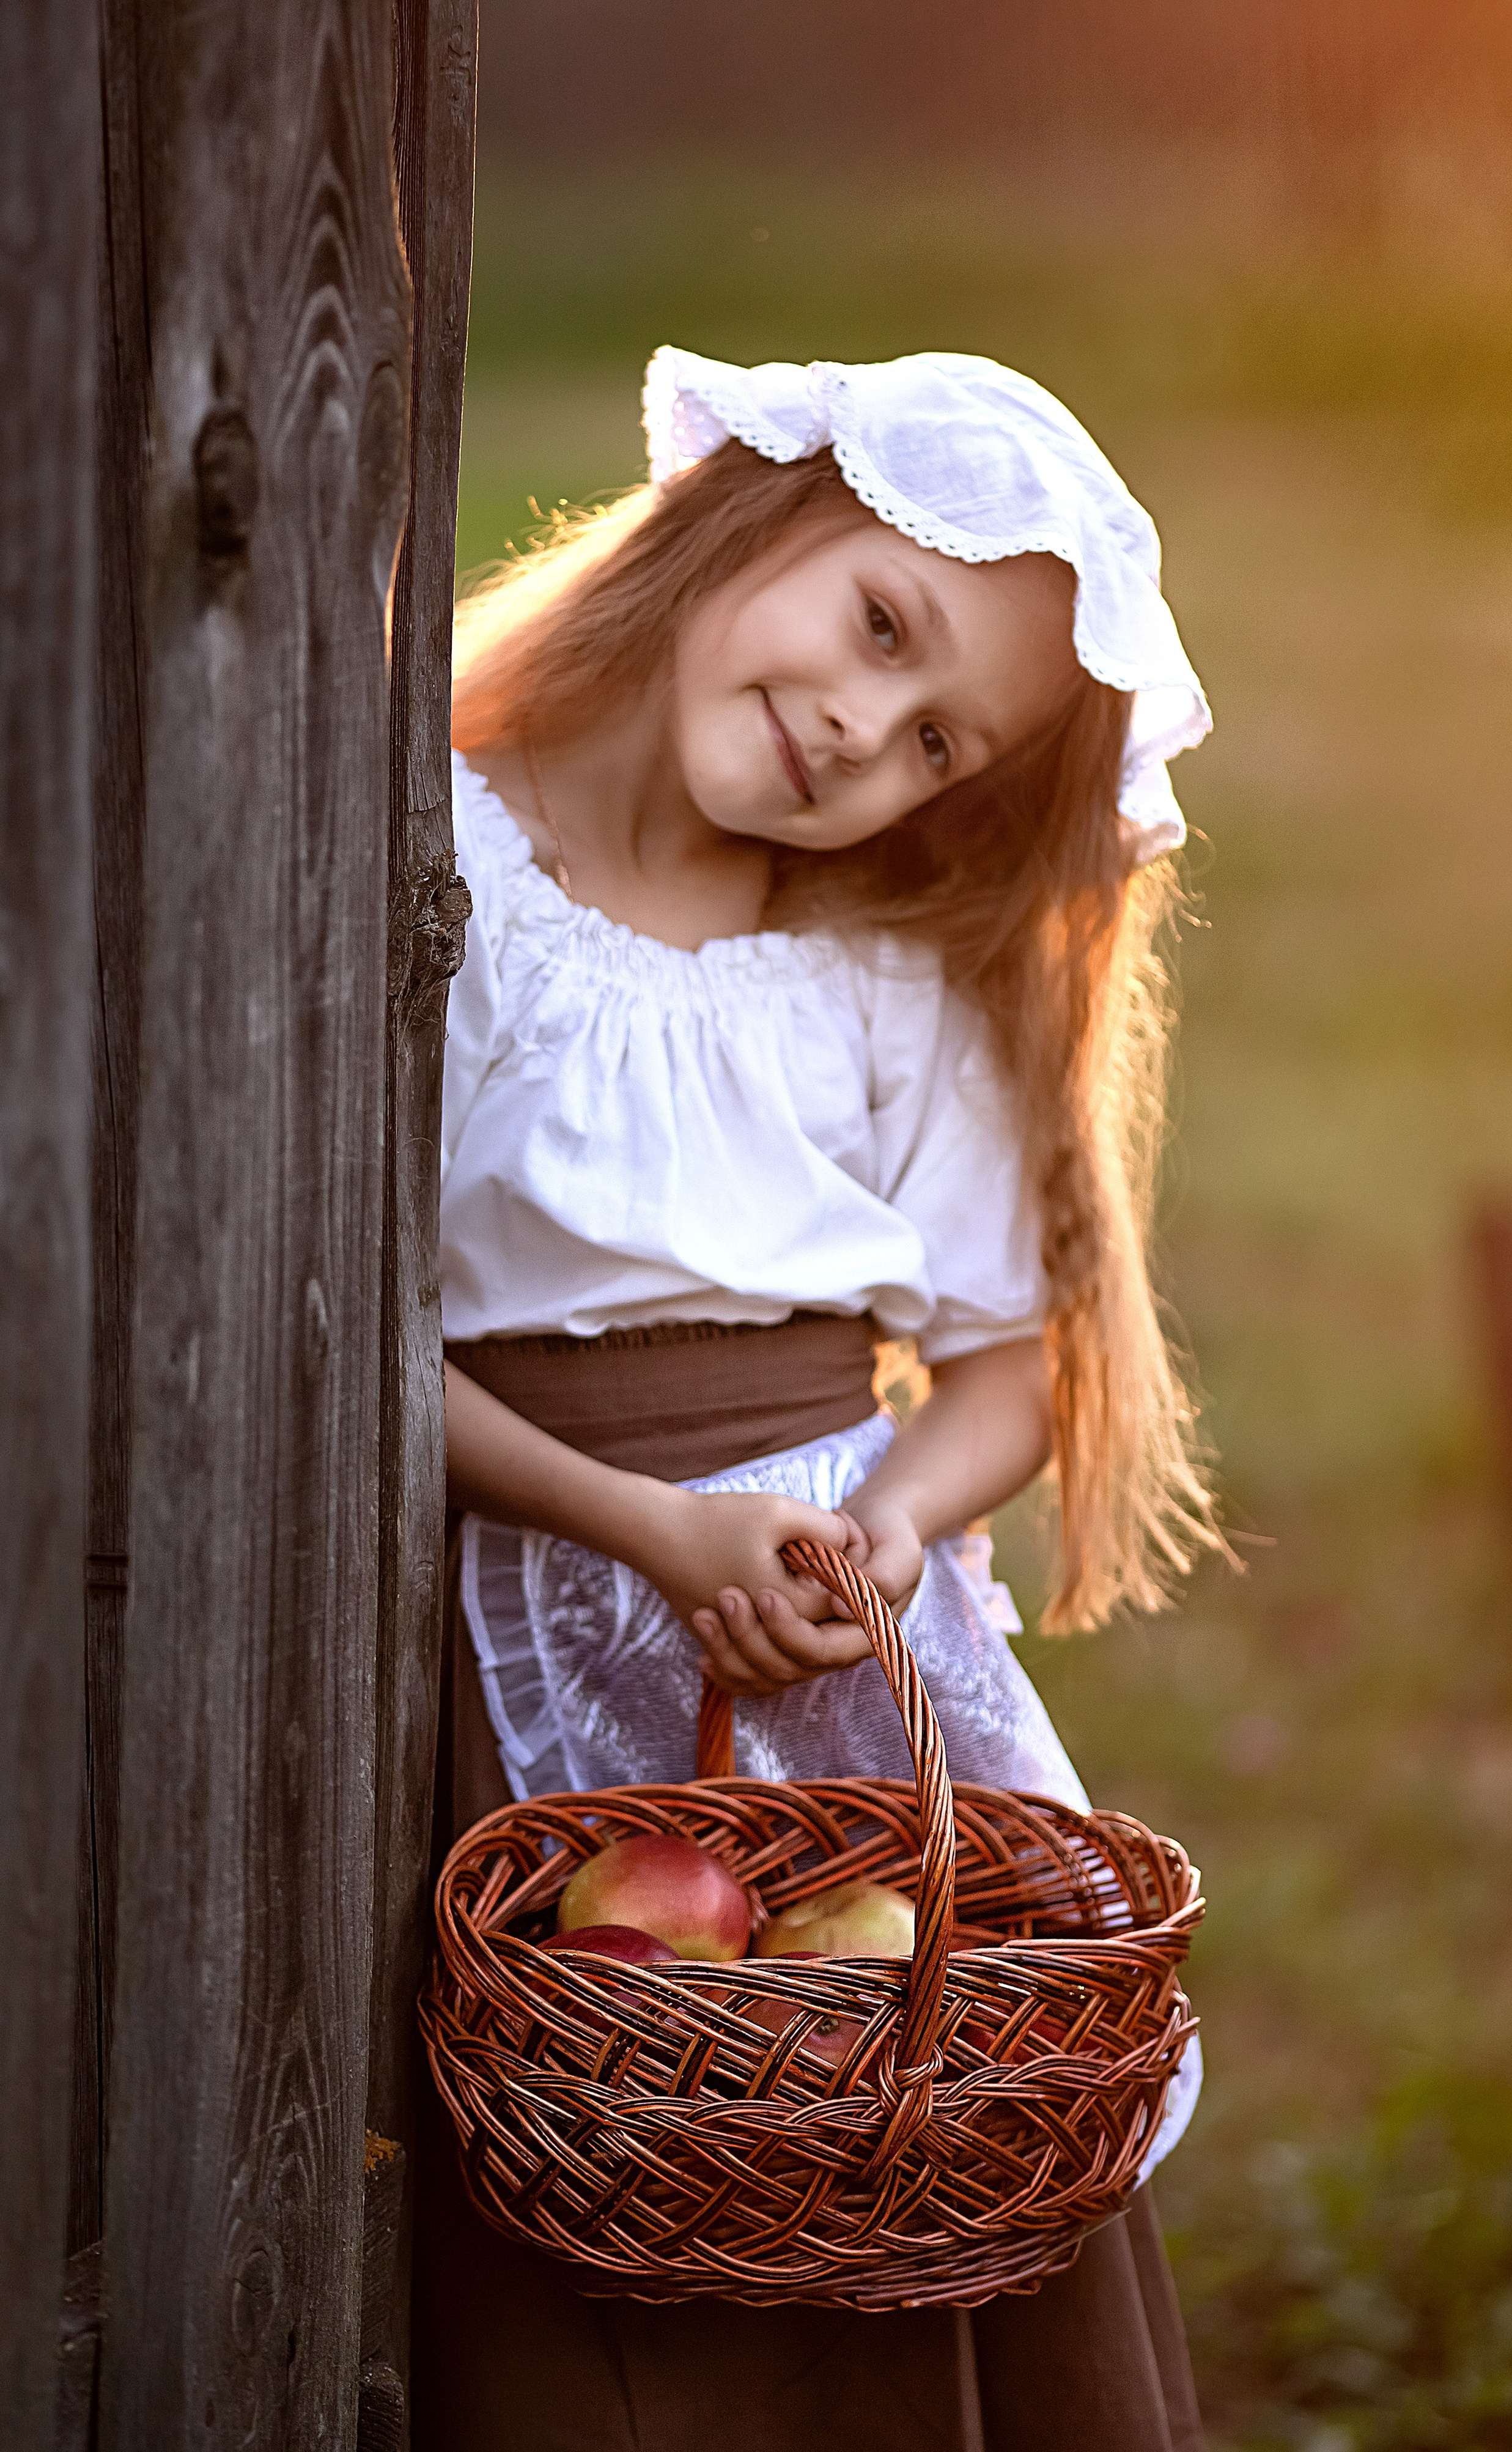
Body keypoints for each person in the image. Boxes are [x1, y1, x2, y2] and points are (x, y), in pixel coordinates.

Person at [413, 347, 1220, 2452]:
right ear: (754, 514)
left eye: (934, 733)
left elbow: (996, 1368)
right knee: (623, 2087)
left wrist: (891, 1522)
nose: (866, 726)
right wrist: (646, 1527)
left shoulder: (862, 969)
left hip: (851, 1670)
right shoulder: (439, 859)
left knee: (906, 2095)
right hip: (547, 1600)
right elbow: (350, 1345)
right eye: (880, 625)